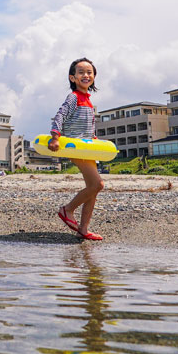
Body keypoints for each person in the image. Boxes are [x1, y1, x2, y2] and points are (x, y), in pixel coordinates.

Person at [48, 58, 104, 241]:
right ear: (73, 78)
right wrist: (55, 137)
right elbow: (60, 115)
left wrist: (95, 142)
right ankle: (68, 210)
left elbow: (89, 127)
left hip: (87, 149)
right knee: (98, 185)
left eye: (89, 72)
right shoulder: (73, 97)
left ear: (94, 76)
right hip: (75, 147)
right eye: (81, 72)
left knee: (92, 188)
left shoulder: (88, 100)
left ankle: (84, 228)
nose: (86, 75)